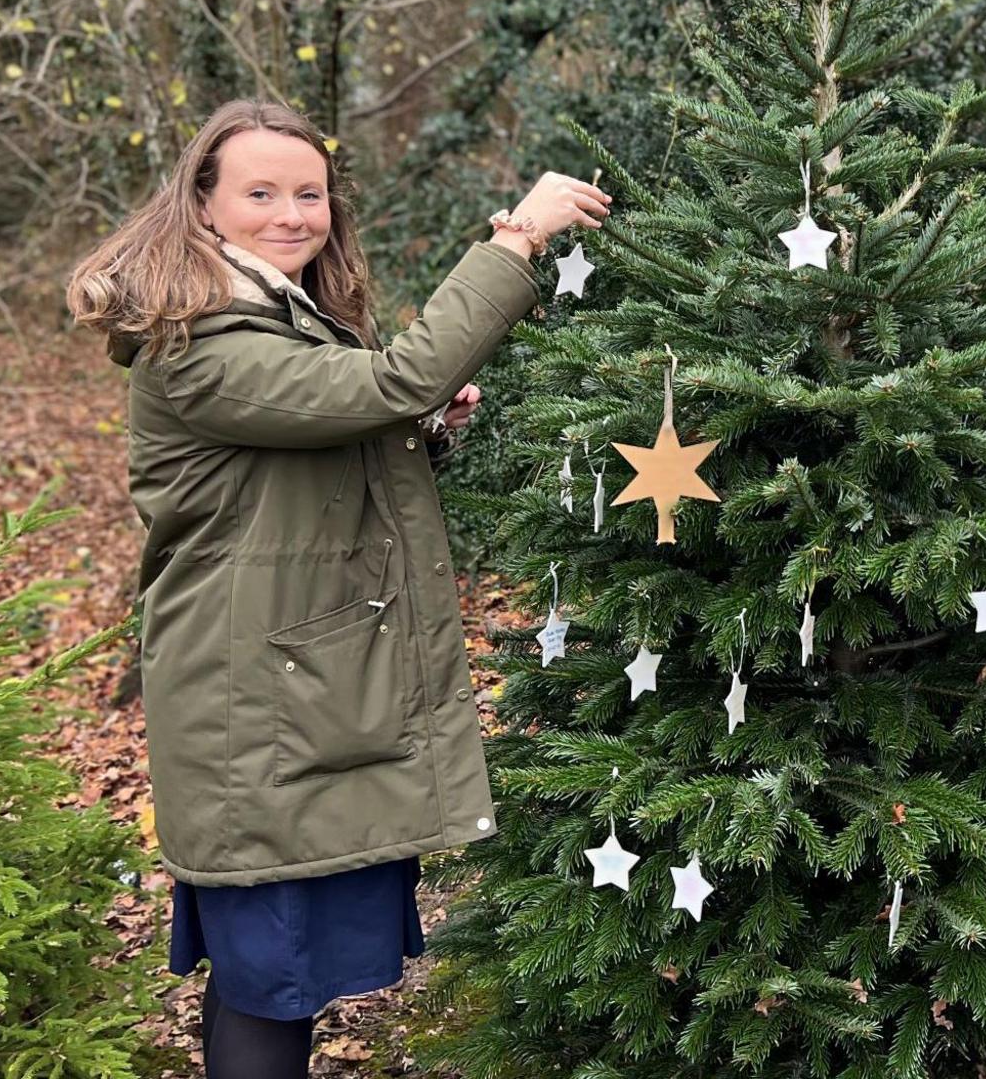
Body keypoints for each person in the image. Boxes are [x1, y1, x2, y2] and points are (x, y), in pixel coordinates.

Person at [67, 98, 609, 1078]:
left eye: (308, 192)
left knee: (280, 978)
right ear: (200, 207)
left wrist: (418, 430)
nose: (291, 213)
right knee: (267, 983)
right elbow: (391, 381)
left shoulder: (273, 314)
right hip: (255, 714)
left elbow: (298, 470)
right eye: (259, 192)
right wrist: (517, 238)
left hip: (295, 698)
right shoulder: (199, 344)